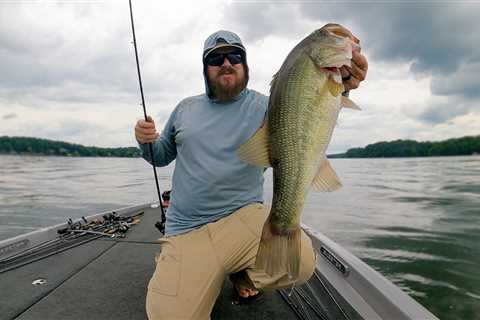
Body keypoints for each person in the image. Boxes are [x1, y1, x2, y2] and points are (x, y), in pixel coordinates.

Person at [135, 26, 368, 320]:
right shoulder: (184, 109)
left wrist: (342, 84)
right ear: (205, 69)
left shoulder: (267, 105)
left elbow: (306, 112)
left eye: (234, 56)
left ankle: (243, 277)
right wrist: (146, 141)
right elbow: (161, 155)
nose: (226, 63)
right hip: (188, 229)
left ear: (245, 64)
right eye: (216, 59)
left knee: (301, 262)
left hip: (244, 217)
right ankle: (197, 268)